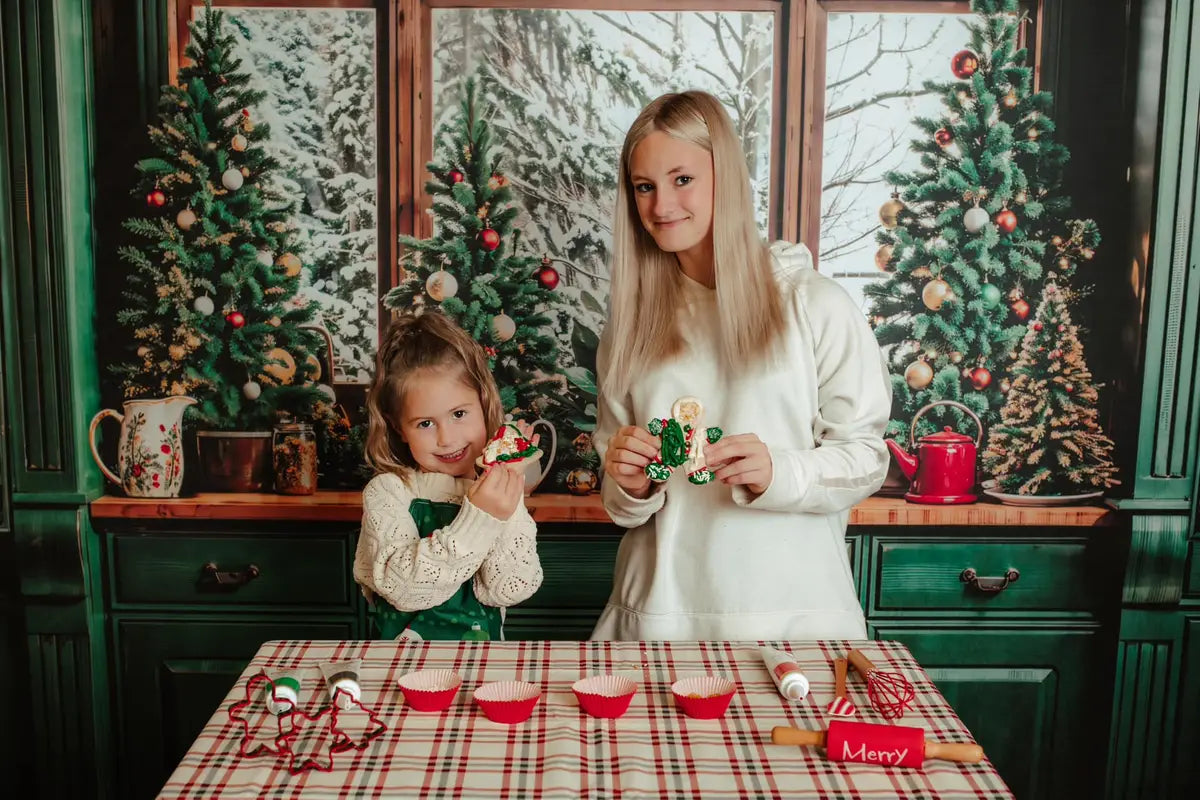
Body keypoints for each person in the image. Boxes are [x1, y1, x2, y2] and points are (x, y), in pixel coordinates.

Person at [593, 90, 891, 641]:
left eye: (682, 179)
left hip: (795, 616)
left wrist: (780, 472)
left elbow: (867, 458)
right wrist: (631, 484)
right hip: (661, 618)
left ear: (723, 177)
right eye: (645, 186)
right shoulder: (632, 326)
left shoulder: (813, 302)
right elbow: (620, 505)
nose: (661, 206)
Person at [354, 310, 543, 641]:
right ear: (399, 427)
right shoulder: (390, 492)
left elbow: (508, 589)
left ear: (483, 404)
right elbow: (405, 589)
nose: (446, 438)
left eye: (459, 414)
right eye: (425, 423)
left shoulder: (498, 491)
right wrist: (480, 517)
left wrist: (507, 501)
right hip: (399, 673)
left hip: (481, 673)